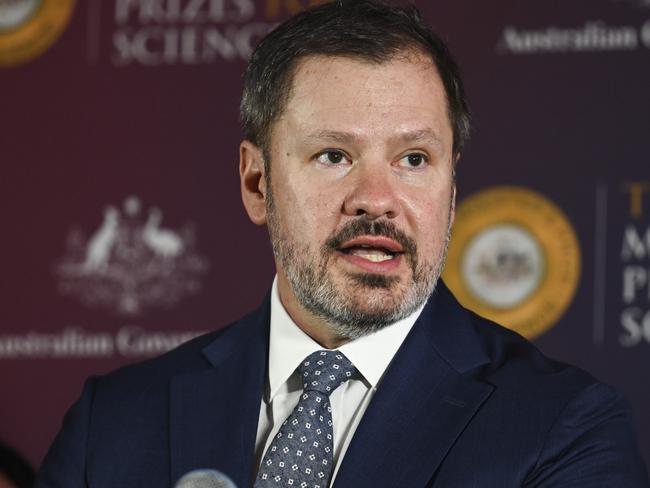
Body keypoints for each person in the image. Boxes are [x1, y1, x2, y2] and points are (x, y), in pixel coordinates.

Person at [37, 1, 649, 487]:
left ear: (452, 191)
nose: (377, 198)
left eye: (414, 158)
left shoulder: (565, 429)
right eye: (334, 155)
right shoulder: (113, 423)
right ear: (257, 183)